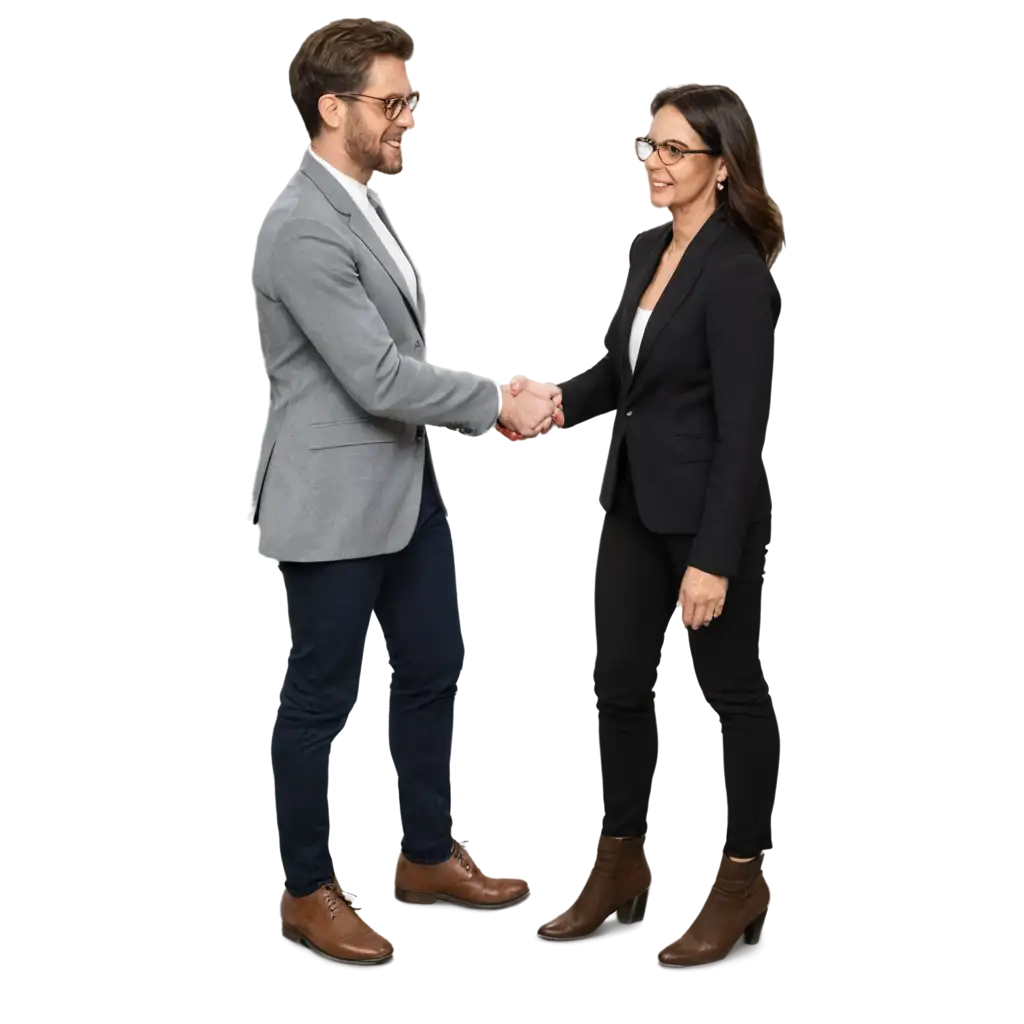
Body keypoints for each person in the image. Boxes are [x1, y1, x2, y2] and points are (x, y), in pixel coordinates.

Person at [244, 17, 563, 965]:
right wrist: (496, 398)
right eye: (392, 103)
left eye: (410, 102)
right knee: (319, 701)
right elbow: (377, 377)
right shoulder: (300, 222)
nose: (407, 120)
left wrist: (479, 408)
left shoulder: (358, 202)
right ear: (332, 107)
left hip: (401, 484)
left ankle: (424, 854)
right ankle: (307, 890)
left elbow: (396, 366)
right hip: (333, 501)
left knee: (434, 665)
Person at [510, 84, 783, 967]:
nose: (654, 165)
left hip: (705, 519)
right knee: (617, 689)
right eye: (649, 146)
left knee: (734, 698)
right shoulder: (647, 249)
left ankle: (742, 882)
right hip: (631, 502)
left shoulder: (735, 271)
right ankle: (618, 867)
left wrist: (714, 559)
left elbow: (745, 429)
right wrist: (549, 401)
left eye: (675, 151)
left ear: (720, 166)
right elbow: (621, 380)